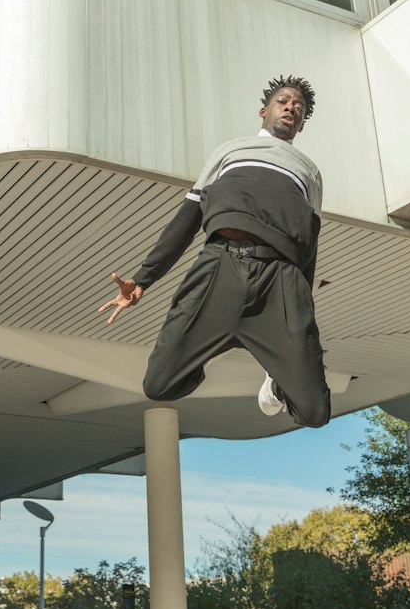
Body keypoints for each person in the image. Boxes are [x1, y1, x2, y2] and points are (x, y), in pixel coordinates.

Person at [99, 74, 330, 428]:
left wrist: (303, 322)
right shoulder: (230, 151)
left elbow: (308, 250)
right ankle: (210, 343)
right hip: (220, 267)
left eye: (299, 107)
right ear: (264, 110)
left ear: (302, 121)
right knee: (159, 385)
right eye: (283, 101)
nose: (291, 108)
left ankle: (278, 381)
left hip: (279, 281)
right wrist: (144, 279)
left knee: (315, 413)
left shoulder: (309, 172)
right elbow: (188, 218)